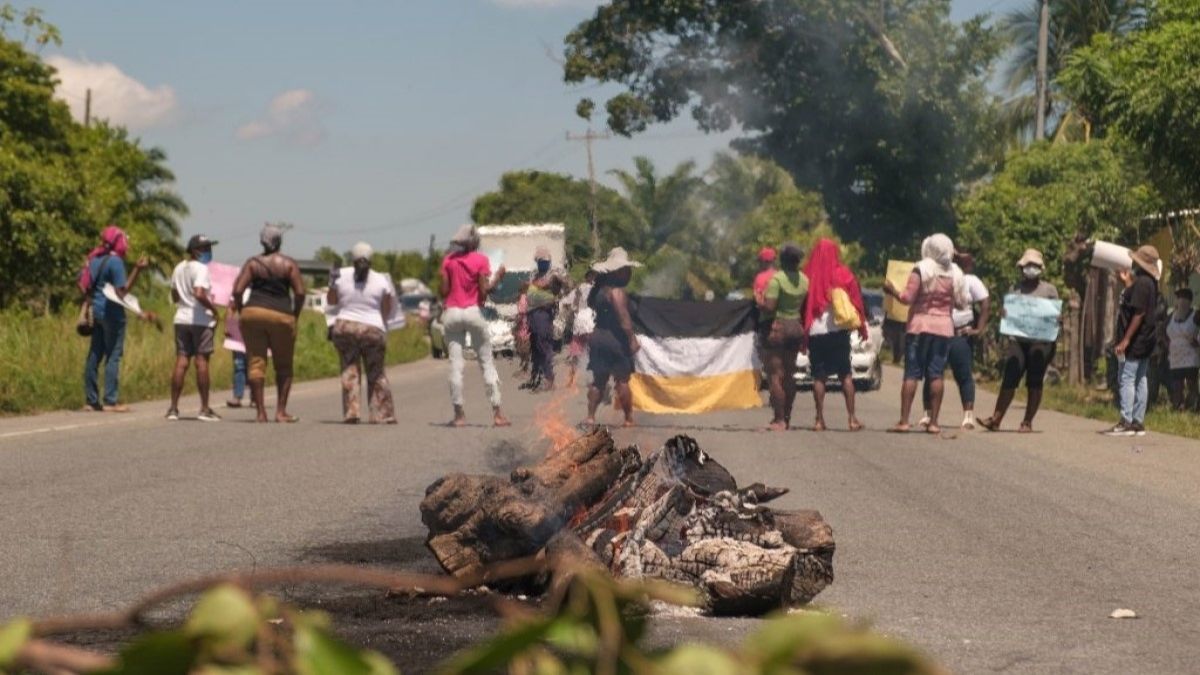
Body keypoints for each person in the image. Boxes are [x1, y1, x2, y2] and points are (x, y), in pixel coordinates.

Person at [883, 234, 965, 434]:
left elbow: (907, 298)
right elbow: (962, 302)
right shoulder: (955, 272)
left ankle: (904, 421)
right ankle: (934, 423)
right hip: (944, 328)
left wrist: (891, 290)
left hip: (919, 326)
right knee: (936, 374)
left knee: (912, 373)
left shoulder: (921, 269)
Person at [231, 224, 305, 423]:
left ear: (261, 241)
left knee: (256, 363)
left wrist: (242, 310)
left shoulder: (253, 263)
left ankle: (260, 413)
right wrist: (294, 315)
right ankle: (280, 412)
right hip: (282, 315)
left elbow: (237, 290)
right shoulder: (289, 264)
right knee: (284, 366)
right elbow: (300, 293)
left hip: (253, 313)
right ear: (280, 241)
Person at [979, 249, 1058, 433]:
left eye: (1035, 266)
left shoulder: (1049, 290)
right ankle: (996, 418)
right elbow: (1009, 313)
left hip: (1041, 341)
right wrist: (1005, 315)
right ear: (1021, 268)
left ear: (1041, 268)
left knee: (1035, 379)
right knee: (1011, 374)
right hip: (1018, 339)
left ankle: (1027, 422)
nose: (1031, 269)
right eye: (1027, 266)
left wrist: (1056, 318)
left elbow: (1054, 315)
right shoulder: (1015, 289)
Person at [440, 225, 510, 427]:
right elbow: (484, 291)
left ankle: (459, 415)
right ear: (474, 242)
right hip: (473, 311)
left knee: (455, 364)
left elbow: (444, 290)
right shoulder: (480, 260)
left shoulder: (448, 260)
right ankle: (497, 413)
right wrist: (498, 276)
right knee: (486, 362)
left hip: (451, 313)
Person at [81, 225, 150, 413]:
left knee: (95, 354)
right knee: (113, 355)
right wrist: (137, 269)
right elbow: (122, 291)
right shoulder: (115, 262)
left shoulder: (94, 259)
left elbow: (84, 285)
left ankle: (91, 401)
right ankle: (110, 401)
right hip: (113, 313)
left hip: (96, 311)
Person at [327, 242, 398, 424]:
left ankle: (352, 413)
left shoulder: (340, 275)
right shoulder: (382, 279)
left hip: (345, 327)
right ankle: (381, 415)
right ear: (371, 260)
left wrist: (332, 284)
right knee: (375, 372)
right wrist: (381, 326)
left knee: (349, 369)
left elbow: (332, 301)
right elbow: (387, 308)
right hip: (372, 328)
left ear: (352, 259)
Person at [801, 238, 867, 432]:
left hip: (816, 331)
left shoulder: (807, 275)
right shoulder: (844, 274)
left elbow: (802, 305)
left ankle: (819, 420)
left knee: (819, 377)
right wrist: (862, 326)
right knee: (845, 375)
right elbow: (857, 301)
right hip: (838, 332)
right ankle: (852, 418)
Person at [921, 251, 989, 430]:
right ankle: (928, 414)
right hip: (938, 332)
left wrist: (978, 328)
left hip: (960, 334)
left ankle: (968, 415)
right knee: (932, 373)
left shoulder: (970, 281)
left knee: (963, 374)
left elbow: (985, 302)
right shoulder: (936, 277)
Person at [1104, 246, 1162, 436]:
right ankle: (1137, 421)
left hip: (1137, 339)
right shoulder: (1149, 282)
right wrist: (1128, 283)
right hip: (1146, 338)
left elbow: (1139, 313)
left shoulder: (1143, 283)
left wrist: (1126, 339)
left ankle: (1126, 421)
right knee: (1140, 378)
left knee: (1127, 378)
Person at [585, 248, 642, 428]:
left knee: (599, 380)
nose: (629, 273)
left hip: (598, 338)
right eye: (626, 269)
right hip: (615, 340)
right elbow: (623, 318)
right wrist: (632, 339)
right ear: (619, 271)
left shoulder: (598, 291)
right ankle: (628, 419)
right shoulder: (616, 292)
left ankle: (590, 417)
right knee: (622, 380)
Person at [166, 235, 222, 422]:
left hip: (181, 319)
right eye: (205, 248)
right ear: (196, 251)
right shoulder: (201, 269)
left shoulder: (178, 268)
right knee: (201, 361)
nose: (208, 252)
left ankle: (173, 408)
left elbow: (174, 296)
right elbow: (199, 293)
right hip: (200, 320)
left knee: (182, 360)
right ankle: (204, 408)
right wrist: (213, 310)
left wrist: (184, 299)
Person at [759, 243, 808, 431]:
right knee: (789, 374)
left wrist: (760, 303)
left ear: (782, 260)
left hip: (778, 327)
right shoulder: (804, 280)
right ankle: (787, 416)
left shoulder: (777, 280)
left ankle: (779, 419)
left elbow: (770, 307)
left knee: (775, 375)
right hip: (796, 327)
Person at [523, 246, 567, 391]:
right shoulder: (534, 274)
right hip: (533, 313)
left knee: (544, 345)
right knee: (535, 346)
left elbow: (565, 285)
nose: (543, 263)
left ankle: (549, 378)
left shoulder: (554, 273)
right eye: (541, 261)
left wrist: (555, 283)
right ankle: (535, 376)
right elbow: (530, 290)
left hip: (545, 313)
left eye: (545, 261)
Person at [1166, 288, 1200, 411]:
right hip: (1175, 356)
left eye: (1183, 298)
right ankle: (1178, 406)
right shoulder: (1171, 316)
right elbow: (1163, 332)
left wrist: (1197, 341)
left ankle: (1193, 406)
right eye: (1179, 298)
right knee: (1177, 384)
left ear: (1189, 301)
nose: (1181, 301)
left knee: (1191, 383)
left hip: (1191, 356)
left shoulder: (1196, 315)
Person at [566, 270, 597, 387]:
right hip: (589, 322)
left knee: (576, 351)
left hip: (579, 322)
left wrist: (574, 311)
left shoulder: (579, 288)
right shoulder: (596, 289)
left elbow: (572, 303)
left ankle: (571, 379)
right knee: (591, 351)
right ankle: (592, 379)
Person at [224, 306, 249, 409]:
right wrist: (228, 325)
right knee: (239, 365)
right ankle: (237, 397)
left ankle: (256, 397)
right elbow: (231, 308)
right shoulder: (237, 291)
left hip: (256, 331)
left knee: (254, 365)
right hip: (238, 333)